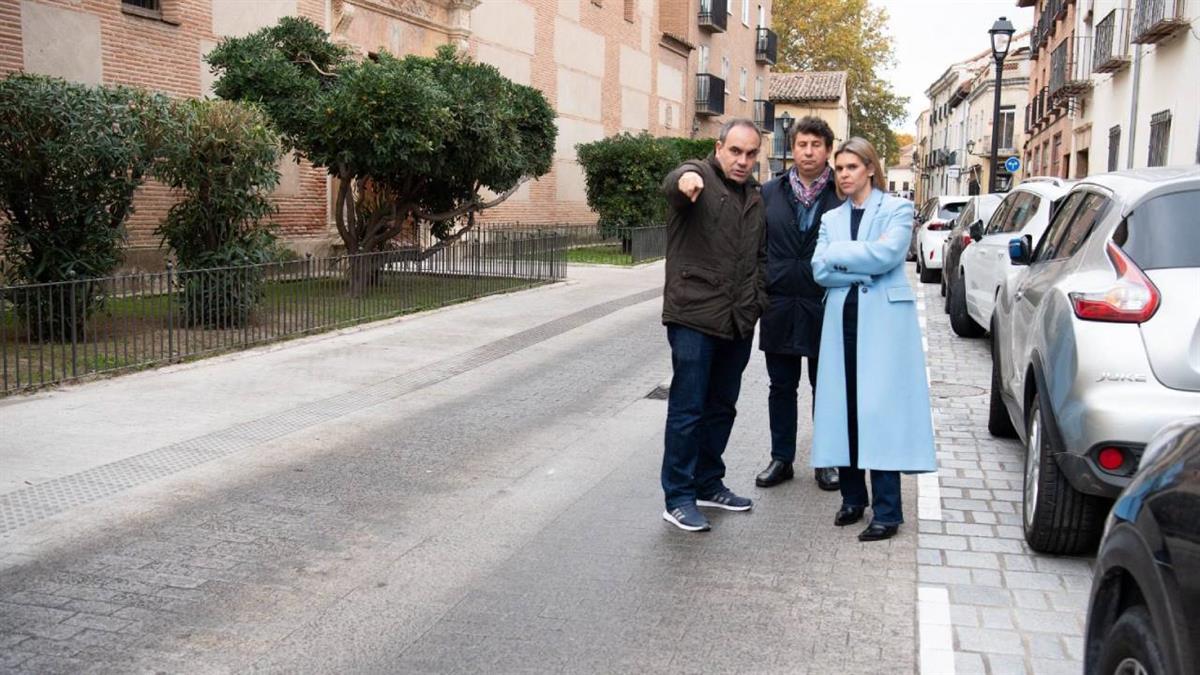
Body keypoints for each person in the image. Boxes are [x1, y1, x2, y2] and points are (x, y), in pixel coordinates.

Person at [810, 137, 936, 542]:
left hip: (883, 325)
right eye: (839, 168)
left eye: (851, 167)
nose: (844, 175)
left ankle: (887, 511)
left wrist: (843, 257)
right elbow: (819, 269)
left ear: (869, 168)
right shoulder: (831, 217)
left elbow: (890, 255)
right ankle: (852, 499)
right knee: (843, 407)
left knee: (878, 411)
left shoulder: (896, 207)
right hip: (842, 321)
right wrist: (863, 263)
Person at [659, 119, 767, 533]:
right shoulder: (698, 176)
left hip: (738, 318)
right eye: (736, 151)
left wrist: (758, 300)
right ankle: (679, 496)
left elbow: (759, 256)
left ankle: (707, 482)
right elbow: (676, 181)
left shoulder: (755, 196)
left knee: (722, 406)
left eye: (751, 154)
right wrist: (684, 180)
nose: (743, 161)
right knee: (688, 409)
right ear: (719, 147)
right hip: (693, 317)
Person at [756, 116, 844, 492]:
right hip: (778, 304)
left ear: (828, 150)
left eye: (816, 145)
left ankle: (826, 460)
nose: (808, 152)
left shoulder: (840, 194)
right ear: (792, 149)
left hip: (823, 304)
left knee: (824, 386)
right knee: (781, 386)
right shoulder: (768, 193)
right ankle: (782, 458)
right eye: (802, 145)